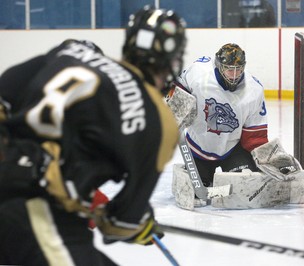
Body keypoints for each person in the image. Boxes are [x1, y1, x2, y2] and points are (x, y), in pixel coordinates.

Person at [0, 5, 186, 265]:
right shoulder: (160, 120)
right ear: (173, 62)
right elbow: (120, 223)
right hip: (36, 210)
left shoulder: (70, 52)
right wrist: (138, 224)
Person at [173, 43, 268, 188]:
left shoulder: (254, 90)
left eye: (239, 69)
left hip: (232, 149)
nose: (235, 75)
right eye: (230, 70)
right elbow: (178, 86)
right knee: (198, 187)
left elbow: (255, 136)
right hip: (199, 148)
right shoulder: (199, 73)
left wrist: (265, 160)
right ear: (219, 66)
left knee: (245, 186)